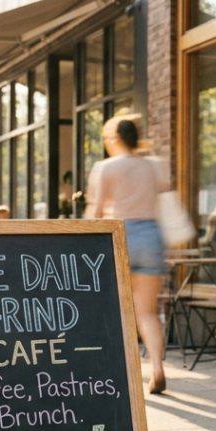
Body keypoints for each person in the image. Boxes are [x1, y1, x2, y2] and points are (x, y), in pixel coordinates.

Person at [85, 115, 167, 395]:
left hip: (121, 236)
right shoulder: (153, 166)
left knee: (116, 309)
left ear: (115, 139)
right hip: (151, 236)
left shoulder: (106, 168)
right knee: (147, 312)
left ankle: (120, 372)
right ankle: (157, 368)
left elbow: (96, 212)